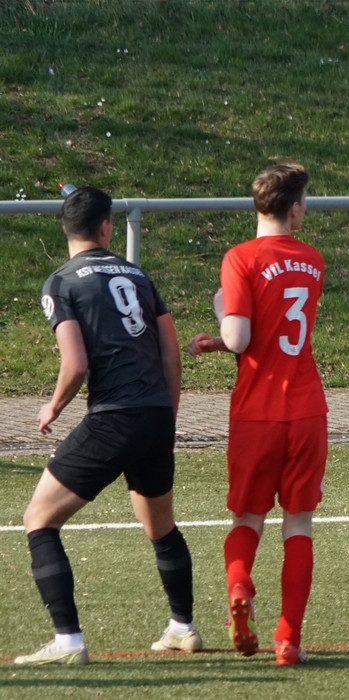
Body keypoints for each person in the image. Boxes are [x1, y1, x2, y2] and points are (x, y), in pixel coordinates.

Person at [16, 186, 200, 665]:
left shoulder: (61, 282)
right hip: (155, 415)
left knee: (39, 520)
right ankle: (183, 627)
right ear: (106, 227)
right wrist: (166, 417)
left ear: (65, 228)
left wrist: (53, 407)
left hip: (114, 418)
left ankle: (68, 640)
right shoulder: (137, 274)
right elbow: (170, 353)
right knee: (161, 528)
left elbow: (75, 363)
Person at [186, 162, 328, 666]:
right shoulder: (313, 260)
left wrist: (221, 311)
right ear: (295, 209)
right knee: (299, 523)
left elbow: (241, 337)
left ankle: (240, 584)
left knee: (247, 517)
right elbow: (278, 326)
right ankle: (288, 640)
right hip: (306, 409)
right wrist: (227, 337)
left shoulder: (240, 257)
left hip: (256, 412)